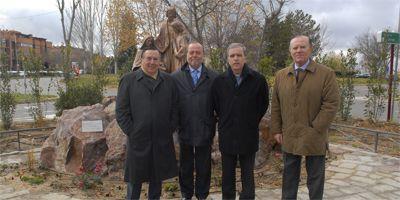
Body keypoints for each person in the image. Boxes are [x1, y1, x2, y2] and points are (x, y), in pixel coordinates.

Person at [271, 35, 339, 200]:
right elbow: (276, 105)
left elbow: (331, 104)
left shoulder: (326, 74)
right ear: (290, 51)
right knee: (289, 179)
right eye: (295, 48)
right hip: (290, 135)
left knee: (315, 180)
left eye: (302, 47)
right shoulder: (281, 76)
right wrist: (276, 129)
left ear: (310, 49)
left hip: (314, 135)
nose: (298, 50)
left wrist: (315, 128)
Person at [116, 47, 179, 200]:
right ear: (141, 60)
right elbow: (121, 111)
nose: (151, 62)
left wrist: (168, 129)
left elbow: (175, 109)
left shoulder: (168, 81)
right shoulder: (129, 80)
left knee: (157, 180)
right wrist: (133, 131)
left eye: (155, 59)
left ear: (160, 62)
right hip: (138, 140)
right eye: (148, 58)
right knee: (134, 181)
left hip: (161, 139)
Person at [211, 43, 269, 200]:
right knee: (227, 175)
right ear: (228, 59)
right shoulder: (219, 81)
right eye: (232, 56)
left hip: (248, 134)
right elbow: (215, 105)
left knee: (247, 175)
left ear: (245, 57)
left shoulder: (258, 80)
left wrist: (250, 120)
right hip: (227, 134)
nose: (235, 59)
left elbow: (263, 104)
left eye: (238, 55)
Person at [172, 42, 217, 200]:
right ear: (187, 54)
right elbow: (172, 103)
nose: (194, 55)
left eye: (198, 52)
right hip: (184, 128)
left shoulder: (213, 77)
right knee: (185, 165)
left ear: (202, 54)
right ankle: (186, 194)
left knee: (204, 165)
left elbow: (219, 104)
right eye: (191, 52)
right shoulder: (176, 77)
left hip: (205, 128)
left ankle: (202, 194)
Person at [155, 7, 186, 73]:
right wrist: (154, 43)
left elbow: (184, 33)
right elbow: (160, 36)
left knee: (176, 66)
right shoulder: (163, 25)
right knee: (166, 66)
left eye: (172, 13)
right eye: (169, 13)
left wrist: (180, 39)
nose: (171, 14)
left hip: (177, 47)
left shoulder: (178, 24)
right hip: (167, 48)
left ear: (174, 14)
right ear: (167, 14)